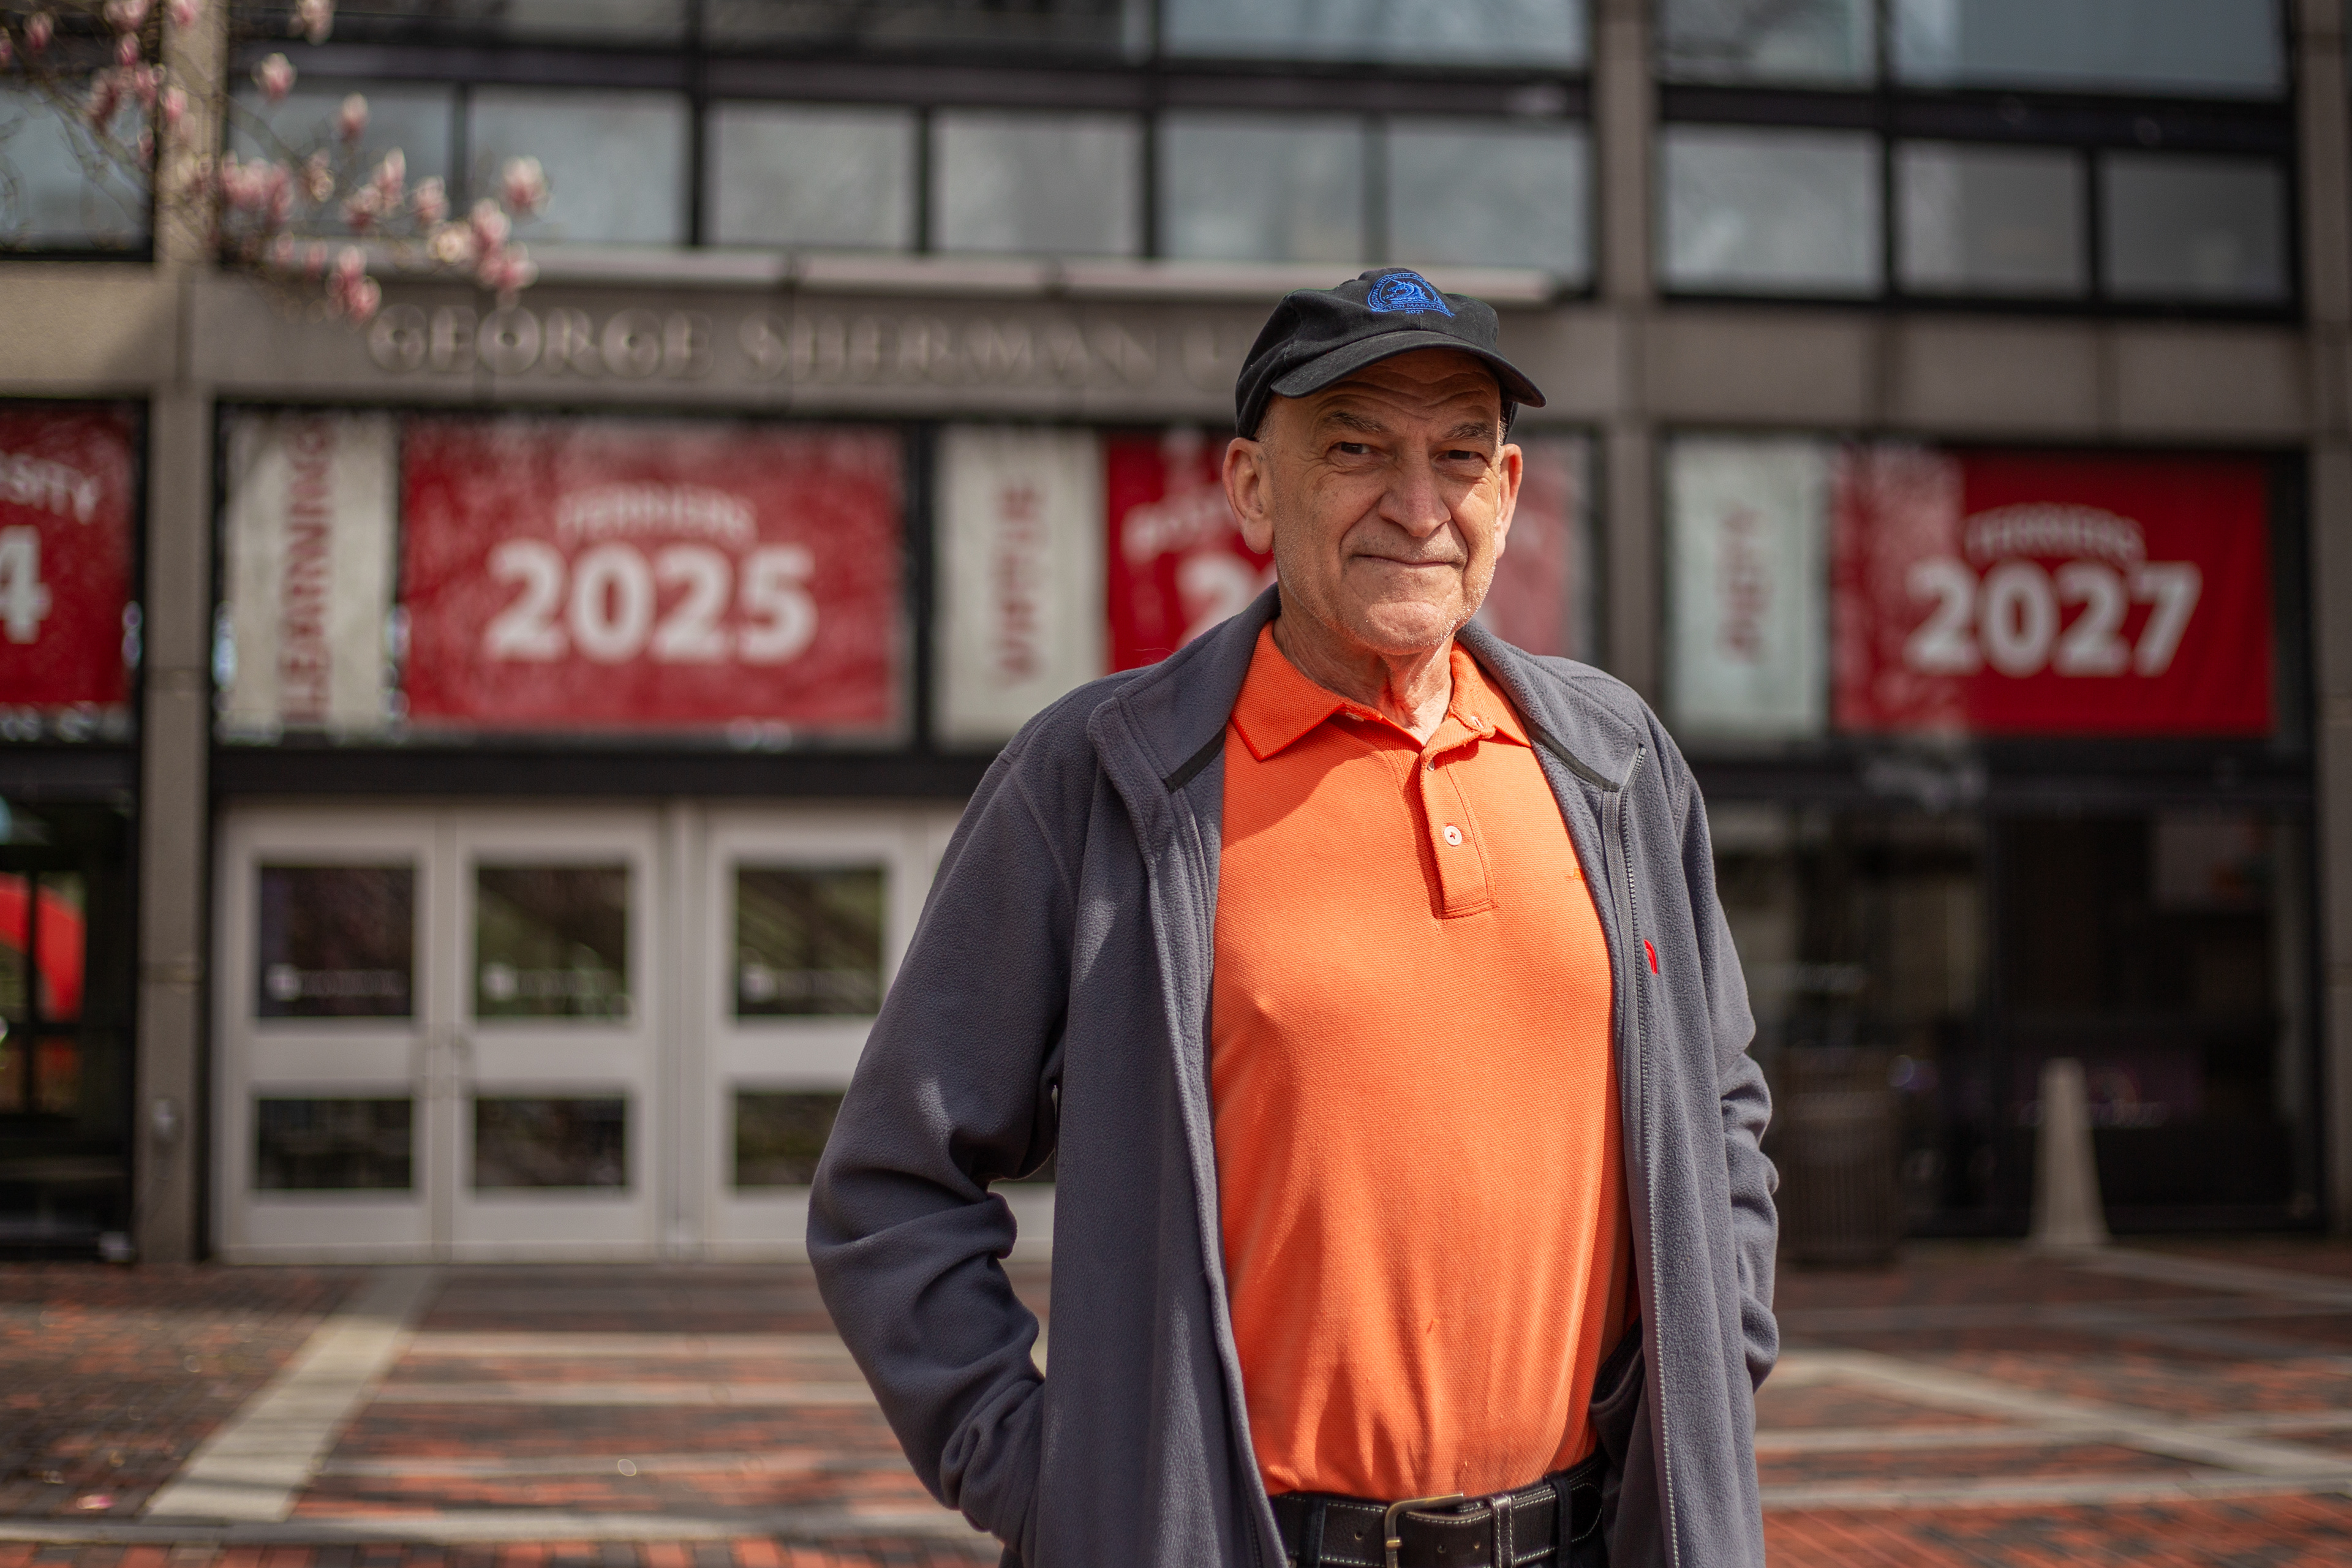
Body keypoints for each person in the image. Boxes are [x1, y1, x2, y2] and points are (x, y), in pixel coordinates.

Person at [810, 269, 1777, 1568]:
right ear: (1253, 486)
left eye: (1459, 454)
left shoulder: (1619, 765)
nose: (1417, 505)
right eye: (1357, 448)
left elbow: (1718, 1105)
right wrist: (1061, 1482)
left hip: (1589, 1537)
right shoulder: (1097, 777)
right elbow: (893, 1183)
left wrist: (1715, 1364)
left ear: (1508, 493)